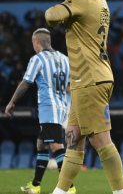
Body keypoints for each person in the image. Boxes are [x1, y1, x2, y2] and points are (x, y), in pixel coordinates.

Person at [45, 0, 123, 194]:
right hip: (90, 78)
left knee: (101, 141)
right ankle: (59, 192)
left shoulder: (80, 0)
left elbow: (51, 15)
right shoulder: (99, 0)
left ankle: (121, 193)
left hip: (90, 79)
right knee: (74, 142)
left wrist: (59, 11)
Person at [5, 28, 75, 194]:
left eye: (33, 43)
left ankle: (69, 188)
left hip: (49, 108)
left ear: (37, 42)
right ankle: (35, 185)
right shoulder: (64, 59)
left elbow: (25, 82)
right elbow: (69, 87)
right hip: (62, 107)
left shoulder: (38, 59)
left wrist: (12, 102)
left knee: (56, 147)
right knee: (41, 144)